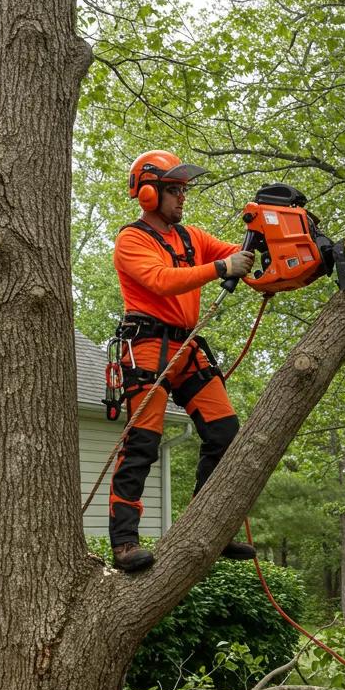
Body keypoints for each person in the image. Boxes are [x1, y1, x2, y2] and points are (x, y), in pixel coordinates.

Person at [108, 150, 257, 572]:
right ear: (149, 194)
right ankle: (124, 543)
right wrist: (221, 267)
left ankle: (209, 526)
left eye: (183, 190)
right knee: (142, 445)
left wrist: (262, 243)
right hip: (148, 345)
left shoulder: (192, 238)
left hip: (186, 347)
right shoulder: (132, 240)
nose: (182, 197)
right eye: (174, 190)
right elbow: (161, 280)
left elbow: (237, 254)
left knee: (226, 433)